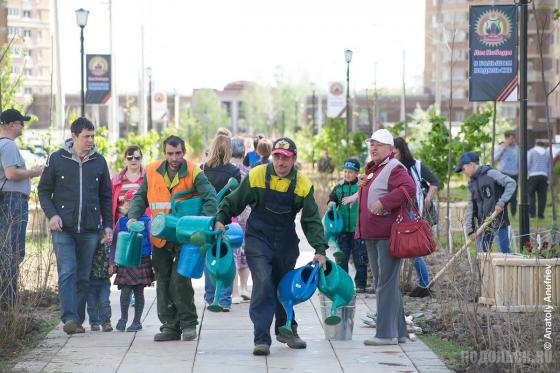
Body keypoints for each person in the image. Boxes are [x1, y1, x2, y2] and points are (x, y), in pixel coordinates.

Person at [214, 137, 327, 356]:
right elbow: (235, 200)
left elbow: (311, 220)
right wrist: (221, 218)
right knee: (264, 280)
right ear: (272, 156)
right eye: (277, 156)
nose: (281, 162)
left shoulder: (302, 184)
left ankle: (287, 330)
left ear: (293, 159)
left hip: (285, 240)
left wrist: (320, 249)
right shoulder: (256, 175)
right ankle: (261, 338)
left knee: (284, 286)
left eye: (285, 158)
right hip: (258, 237)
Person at [126, 135, 217, 342]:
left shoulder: (194, 172)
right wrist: (132, 217)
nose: (174, 158)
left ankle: (188, 323)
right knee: (164, 280)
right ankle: (170, 326)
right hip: (160, 236)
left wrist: (202, 224)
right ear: (164, 153)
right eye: (170, 153)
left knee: (180, 278)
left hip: (185, 236)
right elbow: (141, 196)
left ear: (183, 151)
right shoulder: (151, 170)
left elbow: (210, 197)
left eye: (177, 153)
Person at [38, 117, 113, 335]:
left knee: (83, 276)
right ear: (74, 136)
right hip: (63, 228)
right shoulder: (57, 159)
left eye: (92, 136)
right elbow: (43, 190)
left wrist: (107, 225)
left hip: (90, 230)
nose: (90, 140)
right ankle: (69, 318)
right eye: (86, 136)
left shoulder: (99, 161)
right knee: (68, 272)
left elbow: (106, 196)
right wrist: (52, 215)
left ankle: (77, 320)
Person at [356, 129, 416, 346]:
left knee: (385, 284)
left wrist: (385, 202)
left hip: (386, 234)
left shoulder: (394, 167)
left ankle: (385, 334)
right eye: (371, 144)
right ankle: (398, 332)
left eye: (379, 145)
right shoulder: (375, 168)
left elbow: (410, 188)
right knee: (386, 283)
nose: (373, 148)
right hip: (373, 234)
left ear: (391, 149)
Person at [0, 109, 43, 307]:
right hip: (13, 201)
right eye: (20, 123)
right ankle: (10, 301)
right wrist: (34, 172)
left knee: (8, 251)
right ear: (10, 124)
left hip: (9, 201)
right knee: (13, 251)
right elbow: (11, 174)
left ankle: (8, 300)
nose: (22, 126)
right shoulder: (8, 145)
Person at [393, 137, 439, 298]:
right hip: (394, 209)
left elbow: (434, 182)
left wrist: (428, 198)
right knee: (396, 248)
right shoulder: (391, 165)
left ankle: (423, 282)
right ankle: (399, 284)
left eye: (395, 150)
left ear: (401, 150)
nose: (392, 153)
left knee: (411, 248)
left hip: (410, 211)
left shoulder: (415, 166)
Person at [202, 134, 242, 311]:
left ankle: (211, 297)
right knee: (227, 257)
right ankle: (225, 299)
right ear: (228, 150)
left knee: (209, 257)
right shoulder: (233, 171)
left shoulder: (203, 169)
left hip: (206, 219)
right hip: (225, 219)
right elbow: (238, 197)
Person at [109, 188, 154, 332]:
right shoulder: (121, 222)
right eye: (129, 202)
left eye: (136, 202)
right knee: (125, 290)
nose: (132, 205)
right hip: (125, 262)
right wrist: (112, 262)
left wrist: (154, 263)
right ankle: (123, 318)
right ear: (126, 204)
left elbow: (153, 243)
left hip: (142, 260)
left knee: (139, 291)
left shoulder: (147, 222)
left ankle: (137, 321)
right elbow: (115, 243)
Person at [454, 151, 516, 253]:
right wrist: (470, 230)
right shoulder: (471, 183)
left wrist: (501, 202)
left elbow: (511, 183)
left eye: (463, 168)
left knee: (504, 255)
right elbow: (471, 207)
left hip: (499, 222)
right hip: (482, 225)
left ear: (471, 165)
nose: (463, 172)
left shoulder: (491, 173)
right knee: (481, 257)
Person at [327, 158, 368, 293]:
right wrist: (331, 203)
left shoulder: (361, 187)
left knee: (360, 258)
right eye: (345, 171)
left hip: (358, 230)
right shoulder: (339, 187)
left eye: (351, 172)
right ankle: (343, 284)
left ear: (357, 173)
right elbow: (332, 199)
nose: (347, 174)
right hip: (342, 230)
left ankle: (361, 285)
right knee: (341, 258)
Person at [229, 137, 251, 304]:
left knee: (233, 253)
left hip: (232, 217)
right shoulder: (249, 172)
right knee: (245, 251)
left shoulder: (228, 171)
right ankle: (244, 287)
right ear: (243, 154)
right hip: (248, 216)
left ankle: (235, 292)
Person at [112, 145, 146, 225]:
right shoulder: (115, 181)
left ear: (141, 159)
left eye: (137, 158)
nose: (133, 160)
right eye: (130, 158)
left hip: (142, 225)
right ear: (125, 160)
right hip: (121, 226)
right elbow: (109, 205)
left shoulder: (148, 179)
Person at [86, 235, 113, 332]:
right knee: (92, 304)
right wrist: (100, 242)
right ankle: (94, 322)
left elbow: (113, 258)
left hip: (104, 280)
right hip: (91, 279)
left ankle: (106, 322)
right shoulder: (90, 246)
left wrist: (113, 267)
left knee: (104, 301)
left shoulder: (109, 247)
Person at [494, 131, 519, 217]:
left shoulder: (517, 148)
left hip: (514, 173)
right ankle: (501, 212)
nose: (513, 140)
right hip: (503, 173)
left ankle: (513, 213)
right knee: (501, 193)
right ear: (506, 138)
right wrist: (501, 150)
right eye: (511, 138)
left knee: (513, 194)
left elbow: (519, 161)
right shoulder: (501, 146)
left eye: (513, 138)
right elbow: (494, 158)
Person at [527, 141, 550, 219]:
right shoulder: (547, 153)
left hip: (533, 175)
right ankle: (540, 214)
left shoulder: (531, 152)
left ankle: (532, 214)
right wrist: (548, 179)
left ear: (535, 144)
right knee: (542, 196)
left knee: (531, 196)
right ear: (543, 145)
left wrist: (527, 175)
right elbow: (549, 166)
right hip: (544, 175)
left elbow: (528, 164)